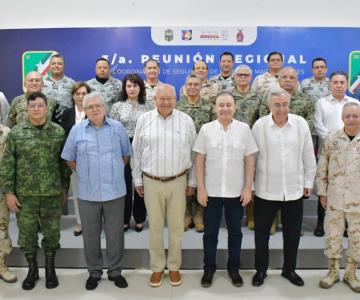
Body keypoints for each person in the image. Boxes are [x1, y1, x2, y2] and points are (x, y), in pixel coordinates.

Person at [61, 92, 131, 291]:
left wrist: (113, 171)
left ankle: (115, 271)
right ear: (84, 109)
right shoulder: (77, 130)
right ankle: (94, 272)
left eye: (97, 105)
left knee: (115, 234)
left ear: (105, 107)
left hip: (115, 191)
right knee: (90, 234)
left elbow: (126, 155)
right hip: (87, 192)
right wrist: (84, 172)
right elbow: (69, 158)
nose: (94, 109)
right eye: (89, 106)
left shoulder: (117, 128)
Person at [0, 92, 70, 290]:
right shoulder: (16, 133)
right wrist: (9, 193)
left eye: (40, 106)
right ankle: (32, 270)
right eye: (33, 106)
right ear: (27, 109)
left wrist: (64, 188)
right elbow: (7, 164)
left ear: (47, 108)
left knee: (52, 234)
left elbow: (63, 164)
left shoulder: (58, 132)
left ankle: (50, 269)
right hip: (25, 196)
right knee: (27, 236)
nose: (36, 109)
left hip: (52, 195)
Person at [132, 84, 196, 287]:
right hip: (152, 182)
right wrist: (137, 180)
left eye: (170, 98)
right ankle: (157, 267)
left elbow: (194, 154)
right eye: (162, 98)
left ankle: (174, 266)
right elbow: (136, 152)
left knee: (177, 228)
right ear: (154, 99)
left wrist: (192, 181)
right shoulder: (144, 120)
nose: (166, 102)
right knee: (156, 228)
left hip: (179, 181)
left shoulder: (186, 120)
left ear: (176, 99)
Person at [251, 87, 316, 287]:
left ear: (290, 104)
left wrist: (308, 182)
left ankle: (289, 270)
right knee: (261, 235)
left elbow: (308, 155)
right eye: (277, 105)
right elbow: (251, 159)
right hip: (265, 190)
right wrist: (251, 185)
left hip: (294, 190)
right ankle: (261, 270)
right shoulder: (259, 126)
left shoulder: (300, 124)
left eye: (285, 104)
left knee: (292, 234)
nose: (281, 109)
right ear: (270, 106)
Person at [194, 91, 258, 288]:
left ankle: (233, 269)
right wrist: (201, 188)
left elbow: (250, 159)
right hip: (211, 192)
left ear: (235, 107)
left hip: (235, 193)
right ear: (215, 107)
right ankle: (209, 269)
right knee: (210, 234)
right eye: (221, 105)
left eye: (228, 105)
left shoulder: (244, 129)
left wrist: (248, 188)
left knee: (235, 234)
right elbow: (199, 160)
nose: (225, 108)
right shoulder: (206, 129)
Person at [316, 102, 360, 293]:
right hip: (334, 198)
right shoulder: (332, 139)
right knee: (333, 236)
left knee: (357, 238)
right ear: (342, 117)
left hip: (358, 199)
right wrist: (322, 192)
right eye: (348, 116)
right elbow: (322, 167)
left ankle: (351, 272)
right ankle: (332, 272)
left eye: (355, 116)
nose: (351, 119)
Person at [314, 71, 358, 237]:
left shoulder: (354, 102)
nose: (339, 85)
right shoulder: (321, 103)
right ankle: (320, 223)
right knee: (325, 187)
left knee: (348, 188)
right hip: (329, 151)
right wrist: (335, 142)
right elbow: (318, 125)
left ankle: (346, 225)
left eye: (342, 82)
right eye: (335, 82)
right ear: (330, 84)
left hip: (352, 152)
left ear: (346, 84)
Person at [110, 74, 152, 232]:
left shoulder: (148, 106)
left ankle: (140, 218)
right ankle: (124, 219)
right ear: (124, 88)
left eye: (135, 85)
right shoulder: (117, 107)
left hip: (143, 147)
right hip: (123, 147)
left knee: (141, 184)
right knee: (125, 184)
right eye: (129, 86)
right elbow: (112, 130)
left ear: (140, 87)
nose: (132, 89)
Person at [176, 74, 213, 232]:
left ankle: (199, 215)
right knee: (183, 183)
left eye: (196, 84)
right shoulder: (177, 107)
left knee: (201, 182)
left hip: (203, 151)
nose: (192, 87)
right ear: (185, 87)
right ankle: (186, 215)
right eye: (189, 84)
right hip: (182, 151)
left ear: (201, 87)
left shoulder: (209, 106)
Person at [55, 82, 91, 236]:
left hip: (93, 160)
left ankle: (95, 221)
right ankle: (80, 221)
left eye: (84, 94)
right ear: (73, 96)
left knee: (94, 193)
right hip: (74, 162)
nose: (81, 97)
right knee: (77, 192)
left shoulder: (95, 112)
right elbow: (63, 139)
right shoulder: (67, 114)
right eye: (78, 94)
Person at [231, 64, 261, 231]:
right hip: (231, 143)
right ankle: (234, 215)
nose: (243, 77)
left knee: (251, 178)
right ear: (235, 77)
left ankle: (250, 213)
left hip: (251, 143)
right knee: (234, 176)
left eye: (246, 75)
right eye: (240, 75)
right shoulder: (228, 96)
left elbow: (262, 119)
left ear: (250, 77)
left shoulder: (258, 97)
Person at [0, 122, 17, 283]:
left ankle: (2, 266)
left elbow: (12, 162)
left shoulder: (6, 132)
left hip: (1, 189)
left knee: (1, 230)